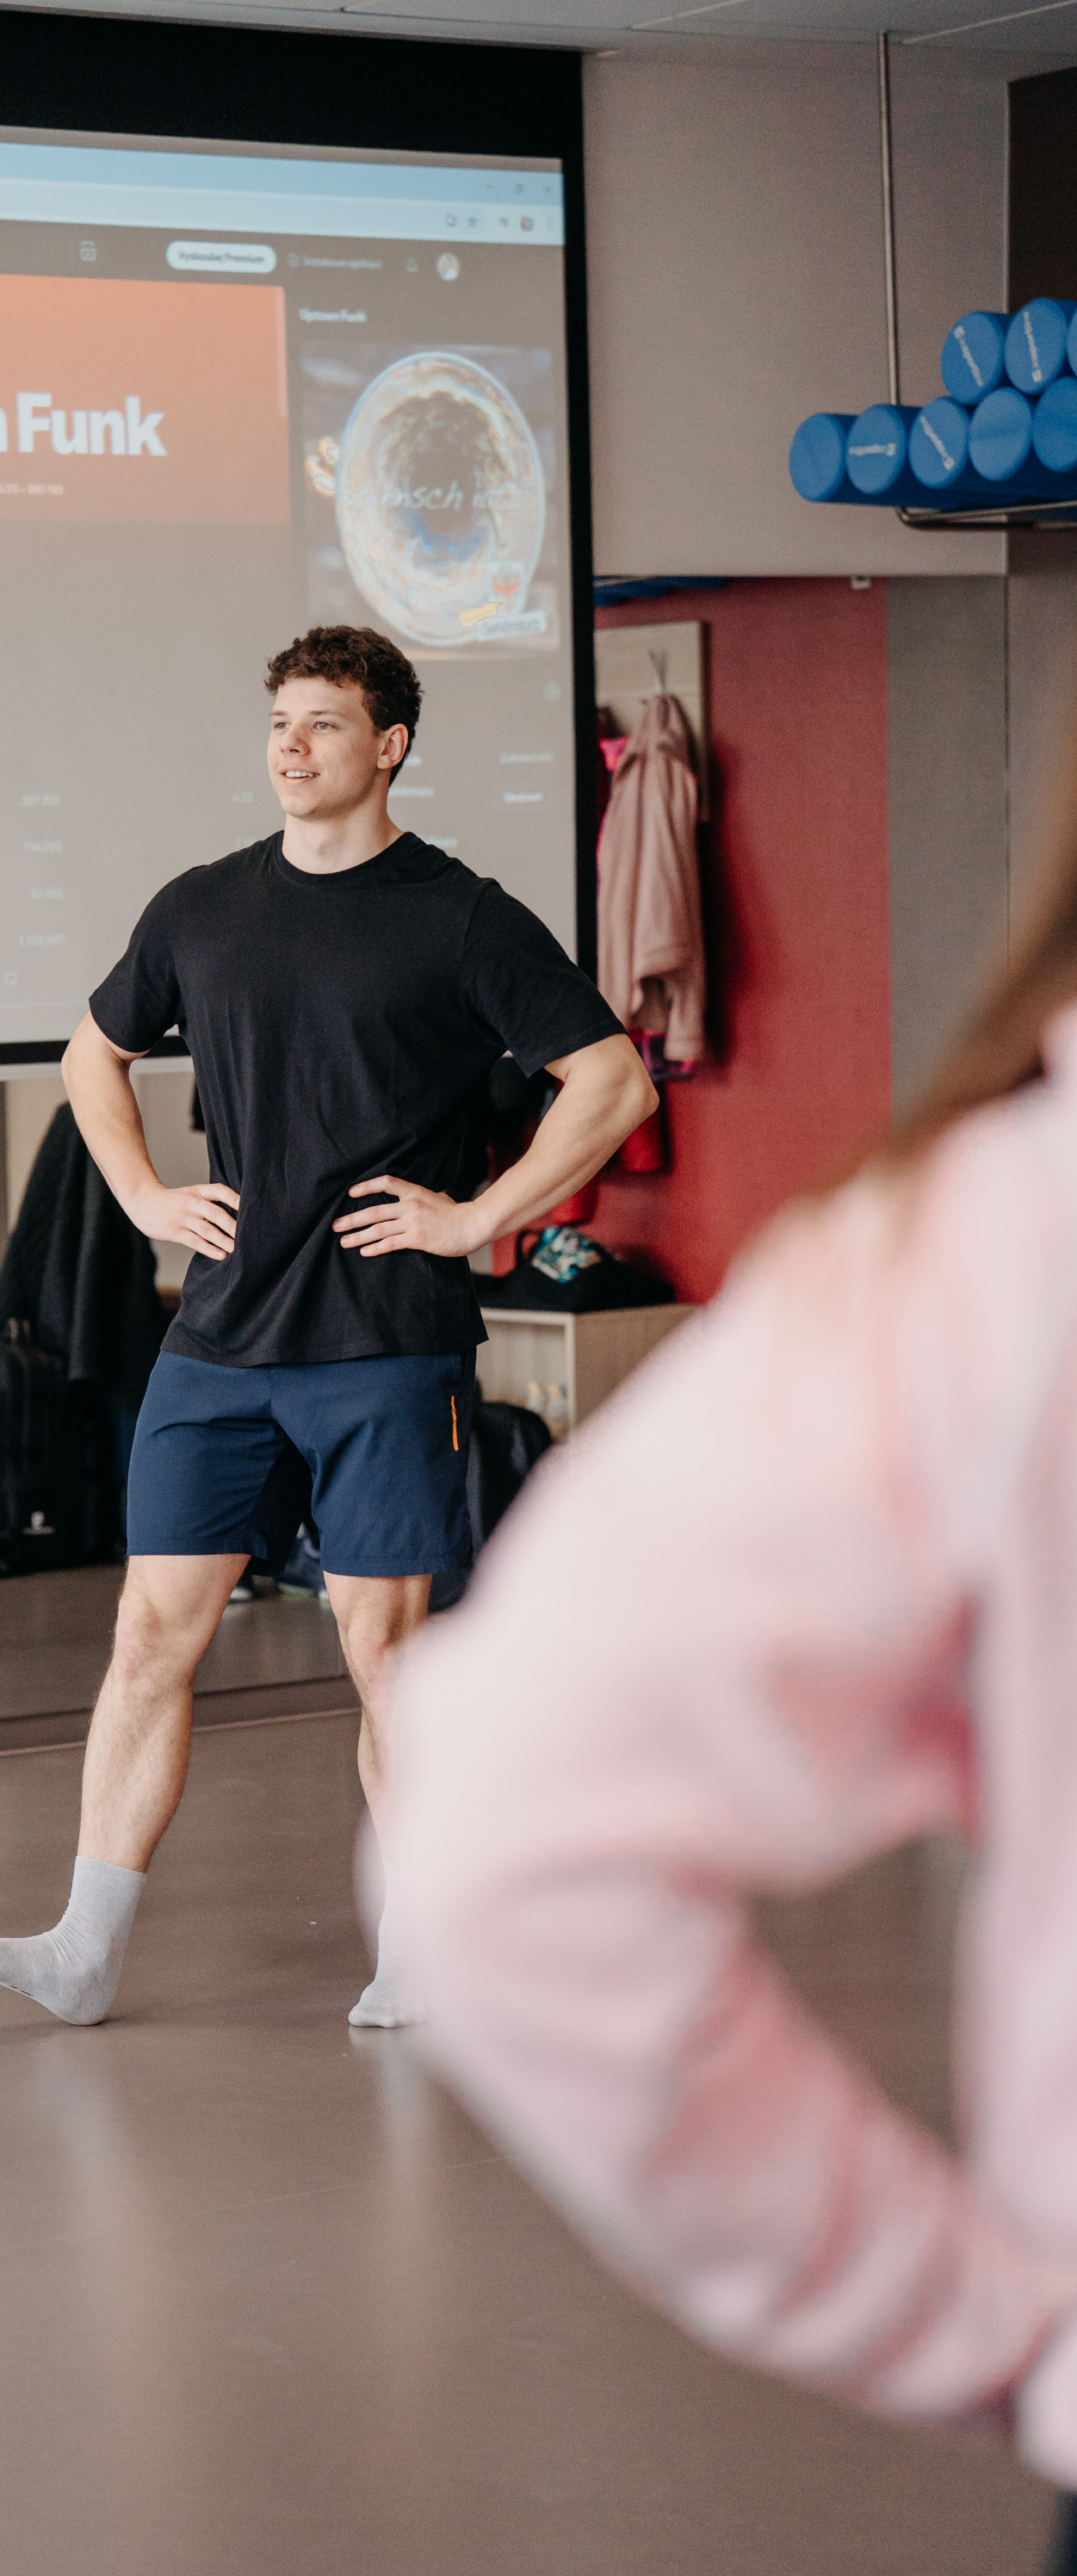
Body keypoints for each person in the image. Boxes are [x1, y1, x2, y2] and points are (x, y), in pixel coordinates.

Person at [387, 749, 1077, 2570]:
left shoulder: (1004, 1239)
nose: (292, 746)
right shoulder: (1001, 1245)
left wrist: (1001, 2340)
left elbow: (502, 1832)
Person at [0, 623, 655, 2028]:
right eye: (280, 721)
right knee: (149, 1636)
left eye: (323, 723)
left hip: (385, 1338)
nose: (292, 746)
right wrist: (143, 1194)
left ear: (389, 746)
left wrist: (474, 1217)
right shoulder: (201, 908)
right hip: (218, 1340)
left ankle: (424, 1948)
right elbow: (92, 1053)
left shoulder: (459, 916)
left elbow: (612, 1082)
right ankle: (84, 1951)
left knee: (386, 1654)